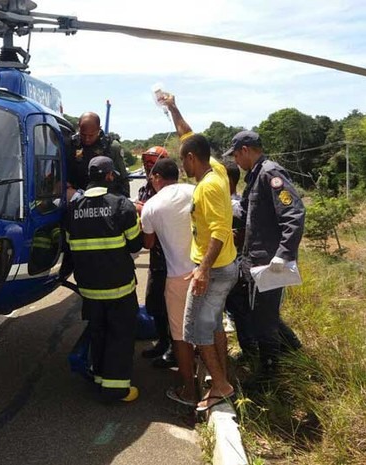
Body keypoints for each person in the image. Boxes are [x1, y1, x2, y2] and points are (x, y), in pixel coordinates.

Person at [162, 94, 238, 412]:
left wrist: (203, 269)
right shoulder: (217, 170)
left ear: (193, 158)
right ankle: (220, 375)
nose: (183, 167)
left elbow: (220, 230)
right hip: (226, 266)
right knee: (214, 324)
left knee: (194, 328)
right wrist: (173, 108)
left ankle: (220, 386)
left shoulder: (206, 187)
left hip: (214, 268)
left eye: (184, 161)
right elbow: (188, 135)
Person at [222, 130, 305, 379]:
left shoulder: (270, 173)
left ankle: (270, 375)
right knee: (261, 314)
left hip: (270, 263)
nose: (236, 161)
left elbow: (294, 213)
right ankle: (294, 351)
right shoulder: (255, 176)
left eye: (236, 155)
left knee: (264, 321)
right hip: (255, 260)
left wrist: (284, 253)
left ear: (245, 150)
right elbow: (247, 212)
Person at [65, 156, 142, 402]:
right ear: (110, 176)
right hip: (119, 286)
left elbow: (69, 244)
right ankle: (116, 389)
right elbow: (136, 244)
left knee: (98, 332)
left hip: (88, 288)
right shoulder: (121, 205)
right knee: (120, 335)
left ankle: (99, 377)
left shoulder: (72, 209)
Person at [141, 157, 197, 406]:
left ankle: (189, 390)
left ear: (156, 178)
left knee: (180, 335)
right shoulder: (196, 191)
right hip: (206, 269)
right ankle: (218, 382)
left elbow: (148, 243)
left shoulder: (152, 205)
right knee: (210, 328)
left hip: (176, 274)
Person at [134, 146, 176, 368]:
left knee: (171, 306)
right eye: (146, 164)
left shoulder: (169, 192)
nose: (148, 169)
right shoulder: (144, 189)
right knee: (154, 303)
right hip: (156, 257)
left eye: (152, 165)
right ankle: (162, 342)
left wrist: (142, 209)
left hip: (171, 256)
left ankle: (173, 348)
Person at [67, 112, 130, 197]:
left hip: (106, 200)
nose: (87, 139)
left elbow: (123, 179)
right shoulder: (70, 145)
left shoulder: (111, 147)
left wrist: (124, 202)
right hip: (78, 198)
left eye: (91, 135)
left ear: (99, 129)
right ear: (79, 127)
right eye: (83, 134)